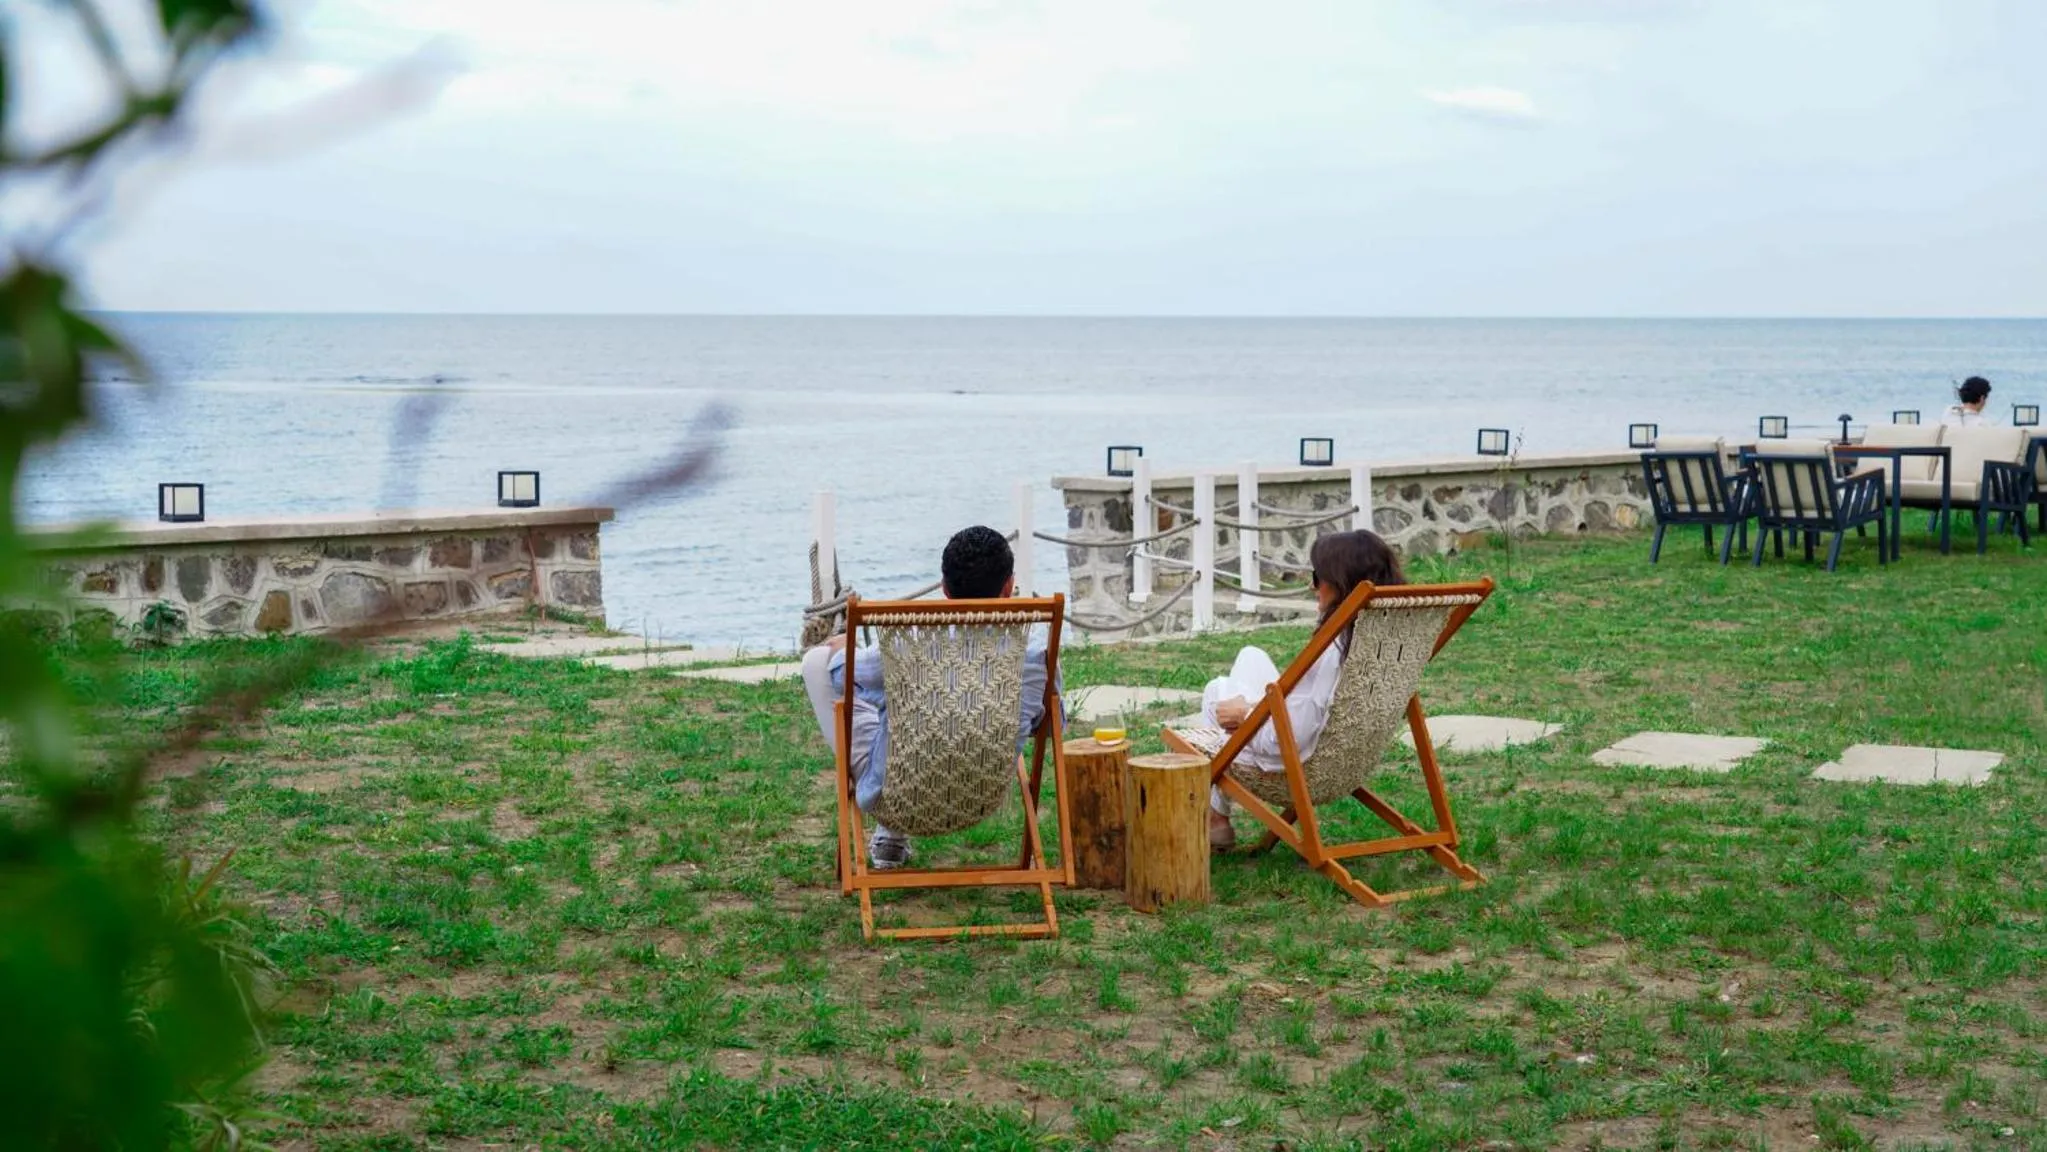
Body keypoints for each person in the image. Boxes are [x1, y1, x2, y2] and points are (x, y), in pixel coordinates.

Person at [799, 525, 1059, 870]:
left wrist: (837, 647)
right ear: (1009, 586)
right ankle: (890, 836)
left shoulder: (908, 641)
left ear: (945, 588)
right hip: (980, 796)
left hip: (896, 798)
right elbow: (1052, 726)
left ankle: (891, 832)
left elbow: (840, 677)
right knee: (909, 710)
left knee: (819, 664)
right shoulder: (1033, 652)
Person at [1201, 529, 1405, 851]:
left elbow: (1288, 738)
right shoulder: (1384, 637)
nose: (1313, 586)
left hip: (1298, 761)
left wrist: (1245, 714)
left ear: (1339, 583)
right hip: (1347, 753)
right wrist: (1255, 707)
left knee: (1216, 691)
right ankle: (1216, 817)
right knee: (1251, 656)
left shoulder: (1333, 645)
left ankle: (1215, 818)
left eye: (1317, 577)